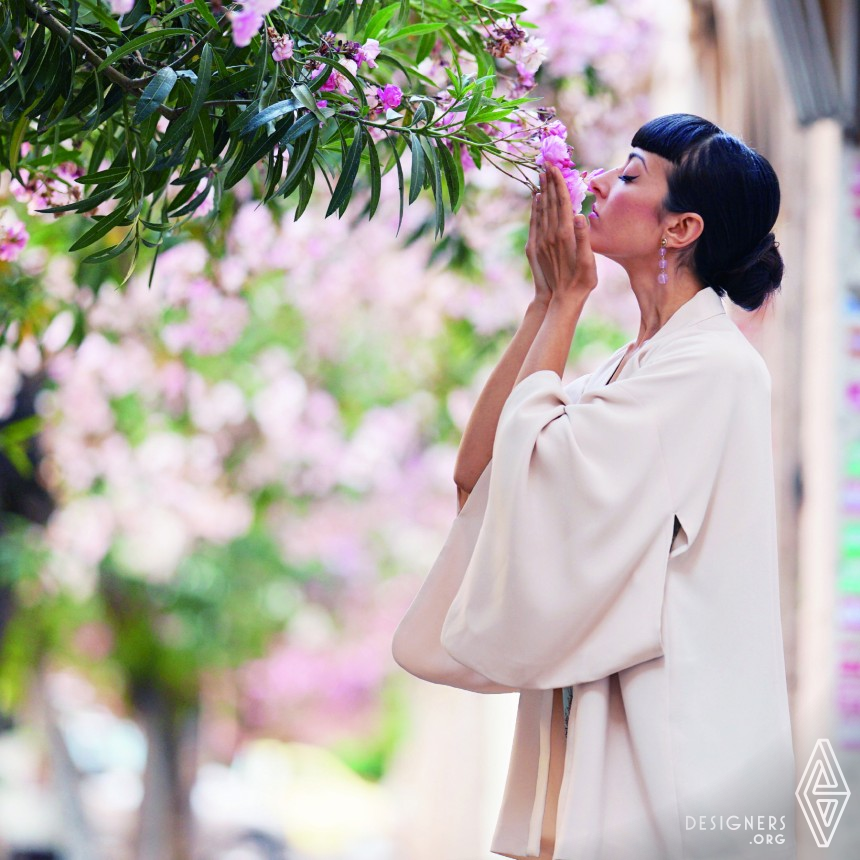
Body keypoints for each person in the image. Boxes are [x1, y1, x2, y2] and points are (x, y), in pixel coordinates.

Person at [391, 114, 797, 859]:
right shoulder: (632, 368)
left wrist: (570, 301)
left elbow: (532, 469)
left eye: (633, 173)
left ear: (681, 230)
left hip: (670, 751)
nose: (600, 180)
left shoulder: (711, 368)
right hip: (604, 729)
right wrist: (546, 304)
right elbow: (483, 476)